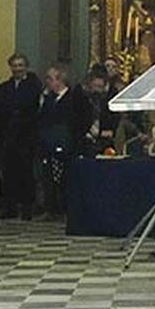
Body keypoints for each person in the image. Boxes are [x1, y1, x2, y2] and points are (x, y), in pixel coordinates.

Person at [35, 65, 93, 220]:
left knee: (66, 178)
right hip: (49, 144)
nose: (48, 82)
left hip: (69, 145)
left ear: (60, 79)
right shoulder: (48, 99)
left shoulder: (75, 98)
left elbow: (84, 119)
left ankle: (65, 209)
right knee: (49, 177)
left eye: (50, 78)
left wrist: (73, 137)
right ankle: (51, 208)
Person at [0, 53, 42, 219]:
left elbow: (32, 107)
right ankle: (8, 207)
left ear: (26, 67)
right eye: (15, 66)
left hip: (26, 135)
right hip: (8, 135)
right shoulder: (4, 88)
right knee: (8, 172)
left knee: (26, 172)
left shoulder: (34, 86)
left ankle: (27, 207)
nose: (17, 69)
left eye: (20, 65)